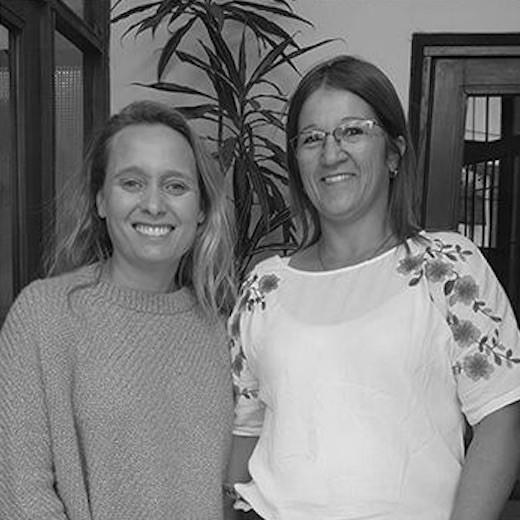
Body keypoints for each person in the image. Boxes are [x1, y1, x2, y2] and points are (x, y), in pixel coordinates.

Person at [226, 55, 520, 520]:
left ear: (394, 153)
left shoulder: (448, 266)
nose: (331, 153)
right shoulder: (265, 285)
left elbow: (501, 419)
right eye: (312, 138)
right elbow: (247, 428)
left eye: (353, 131)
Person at [0, 100, 236, 519]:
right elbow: (22, 493)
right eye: (132, 183)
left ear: (201, 209)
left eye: (175, 186)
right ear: (101, 201)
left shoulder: (221, 329)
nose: (154, 204)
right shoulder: (43, 315)